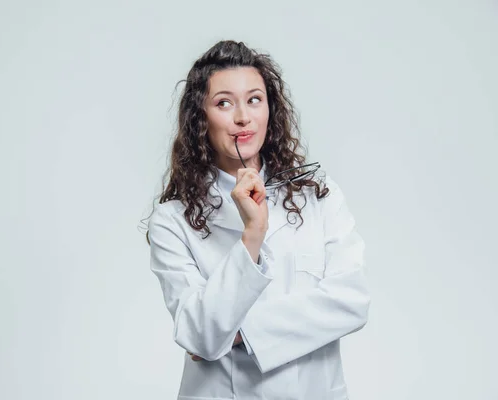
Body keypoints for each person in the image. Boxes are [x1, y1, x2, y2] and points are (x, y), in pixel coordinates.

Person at [146, 40, 370, 400]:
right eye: (223, 103)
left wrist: (238, 333)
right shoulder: (172, 221)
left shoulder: (318, 195)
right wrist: (253, 234)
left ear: (270, 108)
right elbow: (200, 336)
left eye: (254, 99)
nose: (242, 117)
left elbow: (352, 301)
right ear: (200, 118)